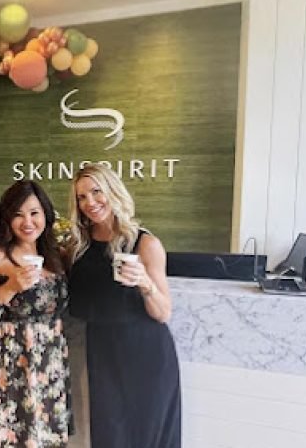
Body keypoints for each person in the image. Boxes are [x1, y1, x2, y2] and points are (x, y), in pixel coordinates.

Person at [66, 163, 181, 448]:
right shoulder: (77, 246)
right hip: (102, 353)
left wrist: (145, 282)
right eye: (82, 197)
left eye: (96, 191)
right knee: (109, 437)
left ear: (112, 191)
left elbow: (163, 312)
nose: (90, 202)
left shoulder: (145, 243)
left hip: (146, 354)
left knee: (147, 437)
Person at [0, 180, 72, 447]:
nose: (27, 222)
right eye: (18, 214)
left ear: (46, 215)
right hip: (10, 364)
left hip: (49, 365)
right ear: (7, 219)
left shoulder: (58, 258)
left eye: (34, 213)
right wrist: (11, 287)